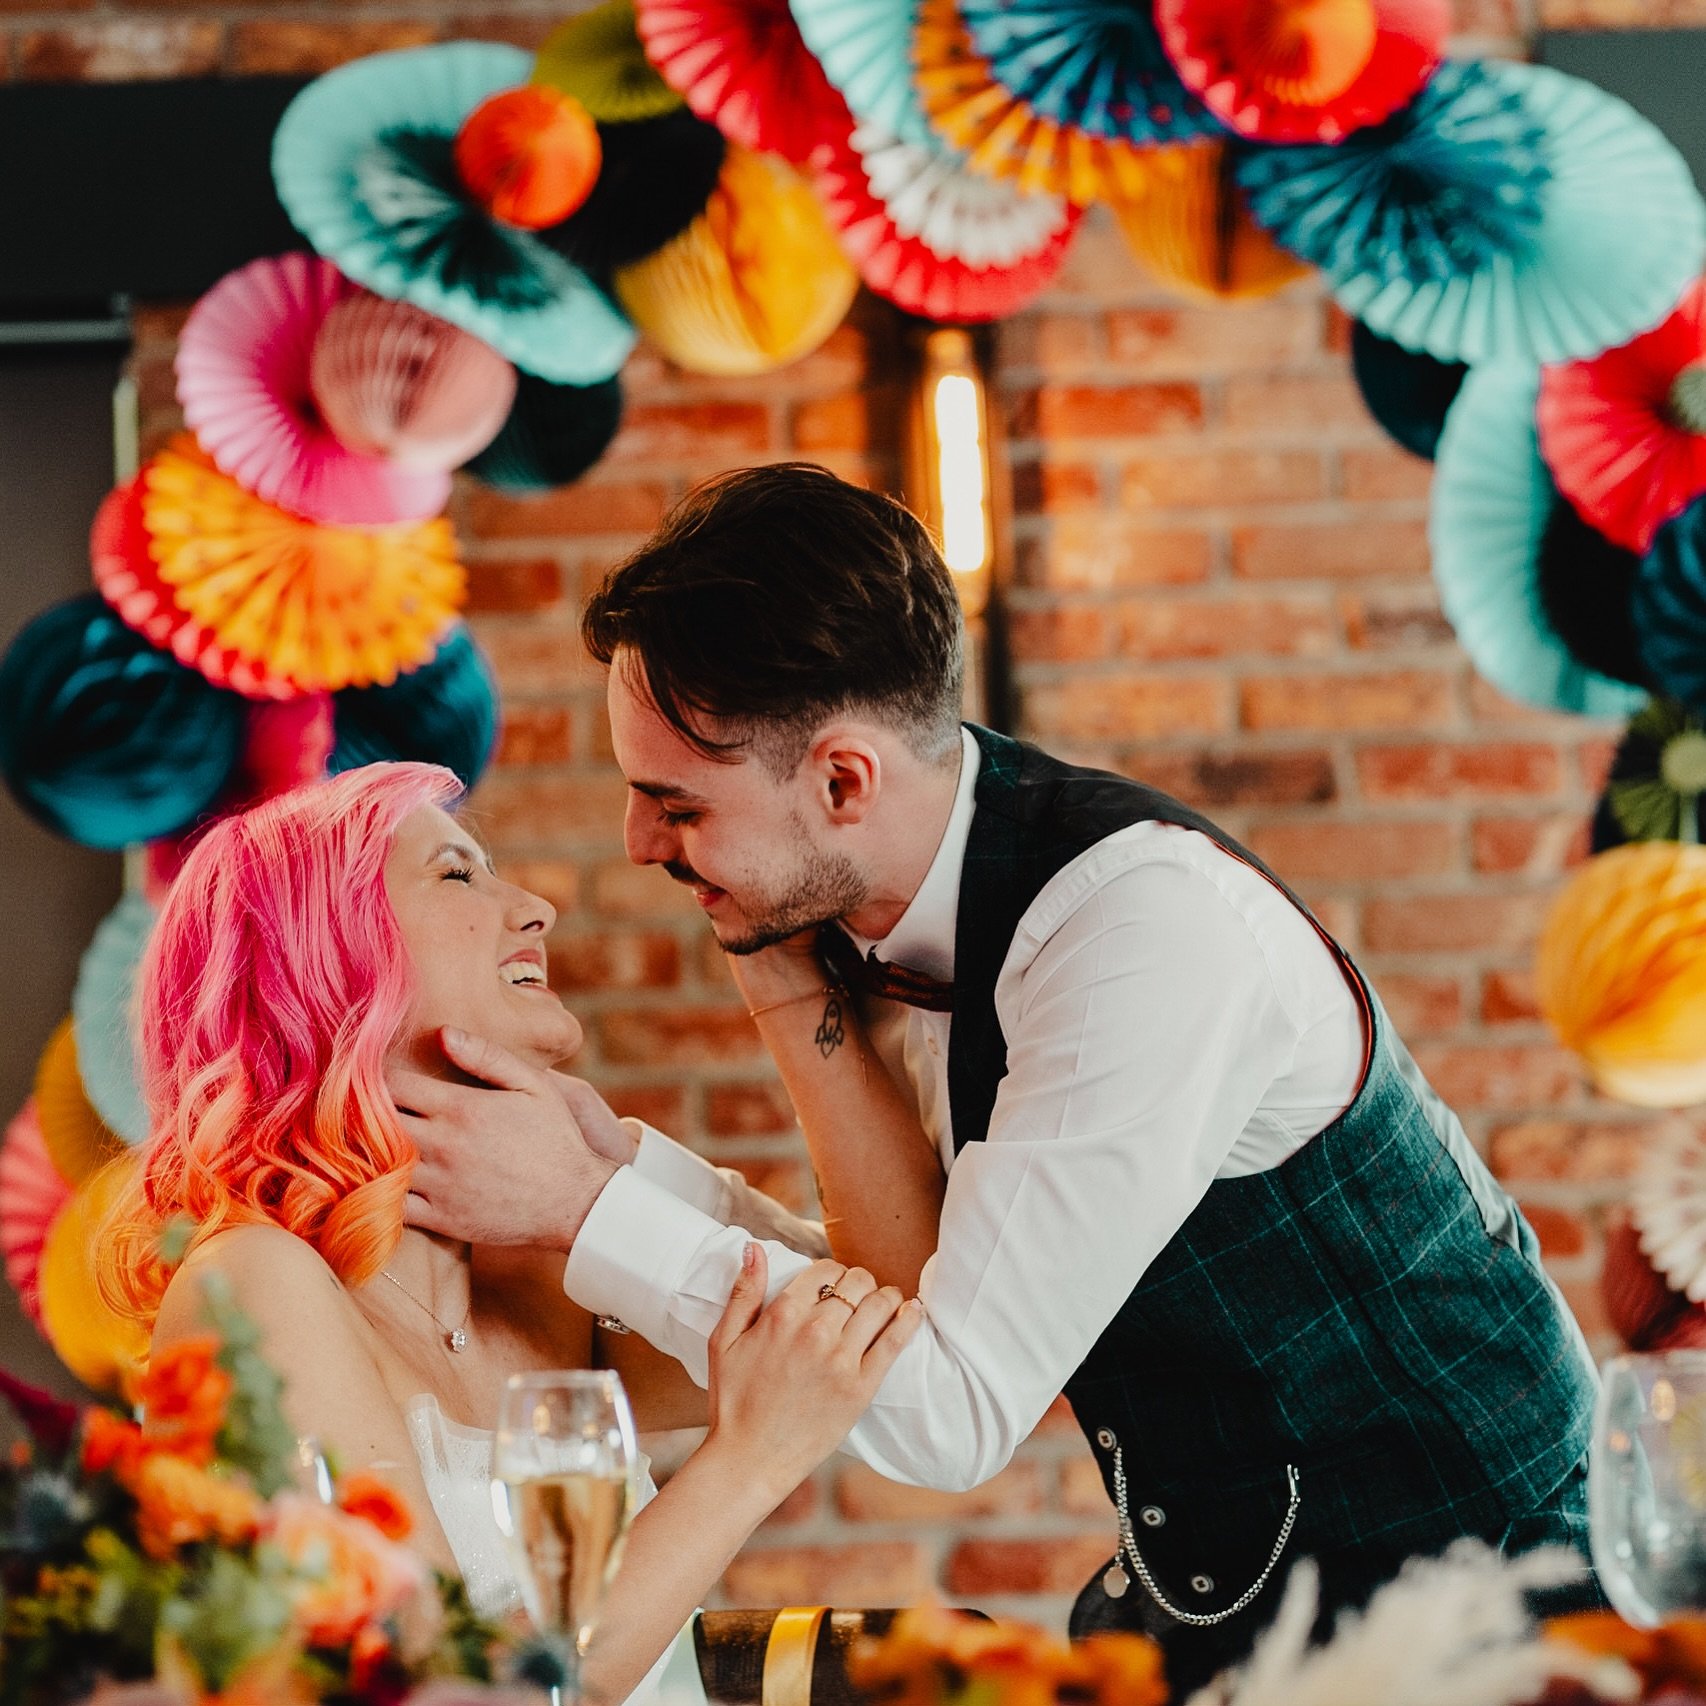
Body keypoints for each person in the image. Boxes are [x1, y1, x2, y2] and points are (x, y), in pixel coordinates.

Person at [395, 464, 1604, 1692]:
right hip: (1236, 1595)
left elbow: (950, 1408)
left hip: (1478, 1600)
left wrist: (585, 1214)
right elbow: (898, 1292)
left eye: (675, 803)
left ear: (843, 780)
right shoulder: (889, 903)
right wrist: (628, 1150)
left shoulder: (1135, 935)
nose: (636, 843)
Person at [99, 761, 922, 1706]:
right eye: (457, 874)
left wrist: (773, 1000)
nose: (534, 908)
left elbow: (890, 1309)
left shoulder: (542, 1275)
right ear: (322, 956)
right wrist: (749, 1462)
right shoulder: (252, 1285)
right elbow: (443, 1690)